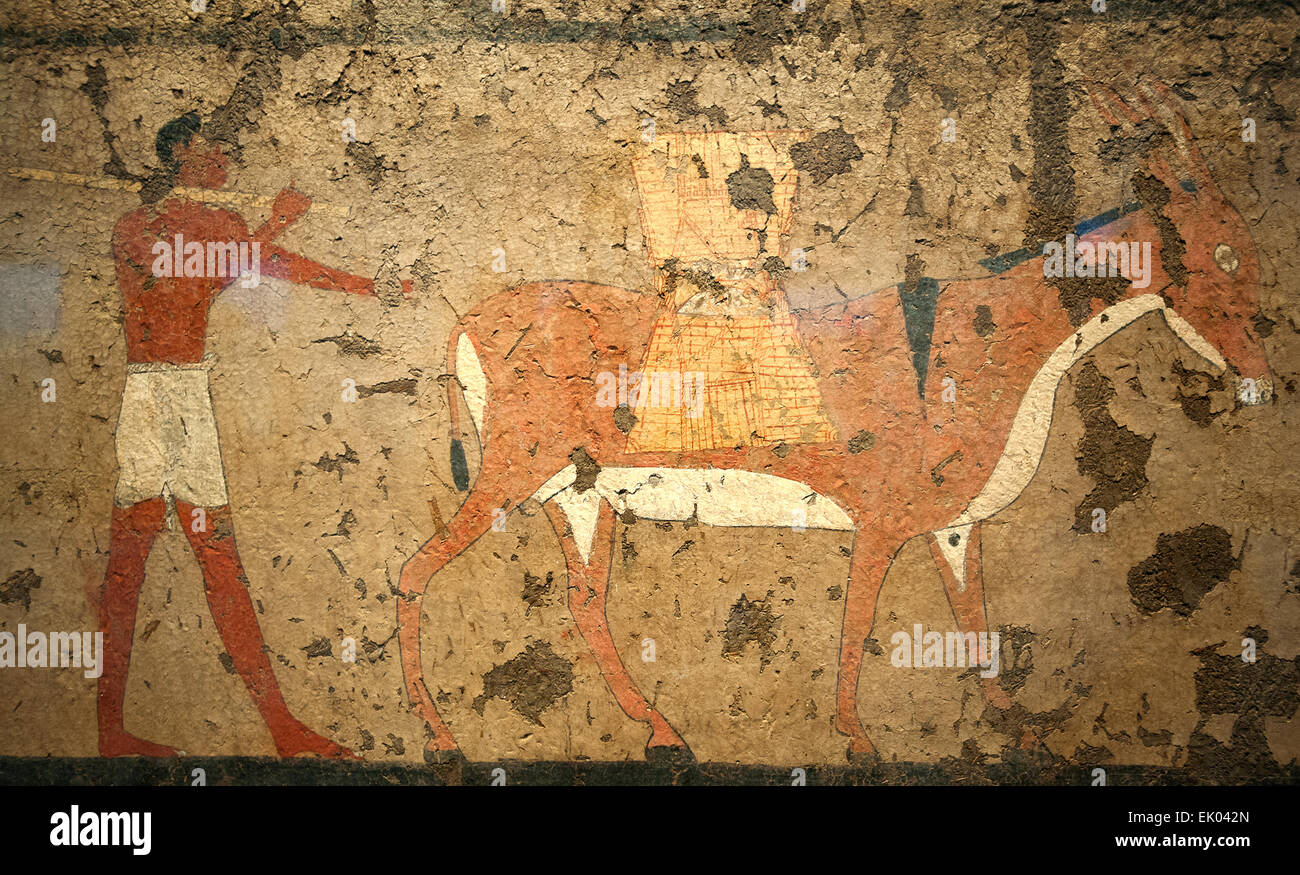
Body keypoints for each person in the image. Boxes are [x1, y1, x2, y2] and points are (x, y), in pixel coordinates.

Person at [99, 112, 398, 757]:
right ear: (181, 153)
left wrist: (372, 287)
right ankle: (109, 731)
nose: (226, 159)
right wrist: (277, 222)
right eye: (214, 148)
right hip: (152, 399)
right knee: (130, 563)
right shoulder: (136, 227)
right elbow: (198, 276)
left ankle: (280, 728)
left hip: (189, 397)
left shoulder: (221, 225)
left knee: (219, 562)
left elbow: (277, 266)